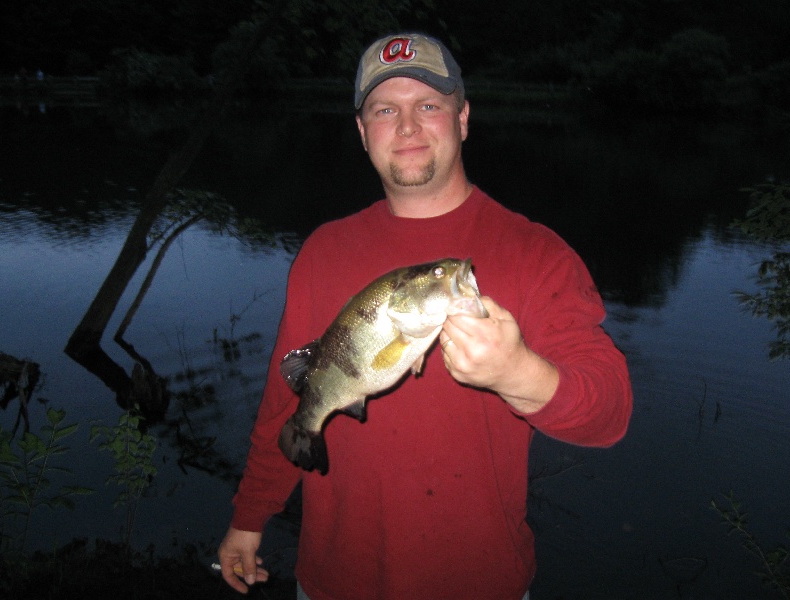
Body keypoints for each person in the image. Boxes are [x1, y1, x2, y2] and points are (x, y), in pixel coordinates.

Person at [218, 32, 633, 600]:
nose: (407, 126)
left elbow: (609, 412)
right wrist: (250, 515)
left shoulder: (534, 252)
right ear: (363, 133)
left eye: (429, 105)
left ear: (462, 119)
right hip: (332, 580)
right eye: (385, 110)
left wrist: (518, 374)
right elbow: (287, 404)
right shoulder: (323, 250)